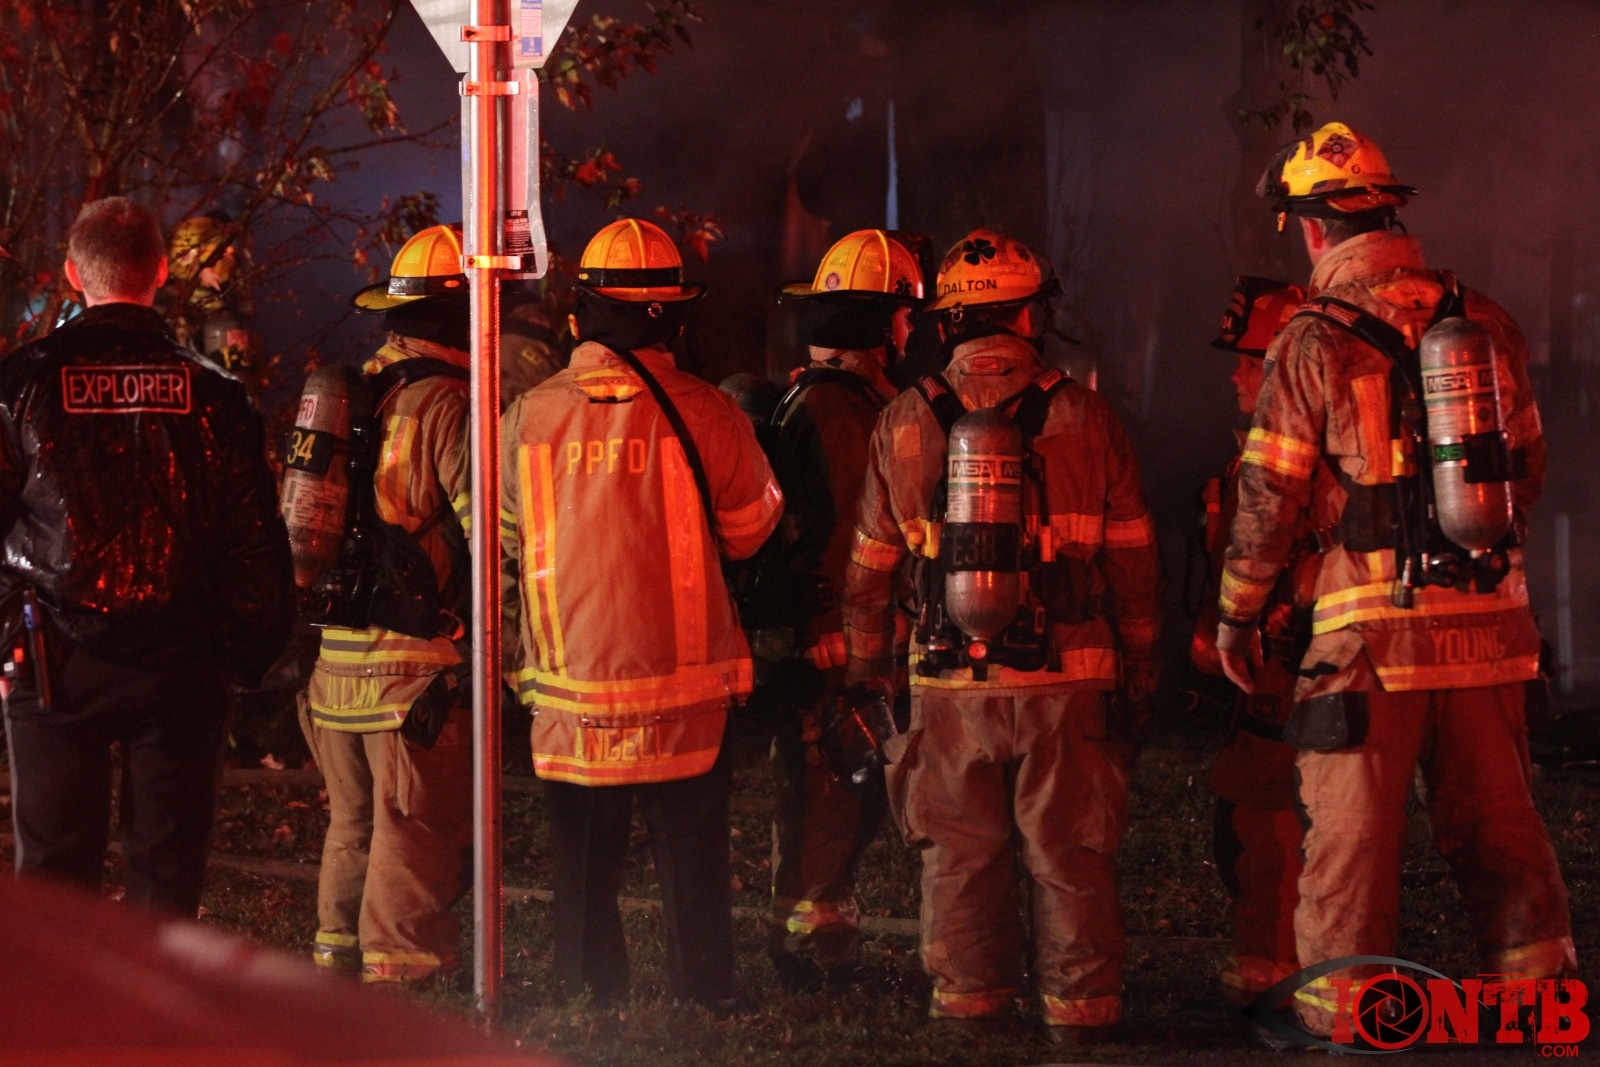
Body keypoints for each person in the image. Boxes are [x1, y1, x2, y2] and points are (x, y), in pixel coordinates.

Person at [1219, 121, 1575, 1038]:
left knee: (1353, 846)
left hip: (1370, 648)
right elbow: (1528, 470)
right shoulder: (1485, 318)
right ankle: (1540, 1004)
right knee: (1501, 827)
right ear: (1389, 214)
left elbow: (1268, 496)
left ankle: (1347, 1021)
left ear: (1312, 230)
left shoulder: (1310, 338)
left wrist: (1237, 616)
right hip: (1489, 632)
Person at [842, 229, 1161, 1042]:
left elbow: (869, 571)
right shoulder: (1089, 416)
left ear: (949, 320)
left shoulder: (902, 420)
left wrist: (871, 673)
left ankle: (970, 1005)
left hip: (948, 682)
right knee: (1070, 850)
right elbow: (1133, 557)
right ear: (1028, 315)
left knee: (958, 853)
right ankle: (1081, 1012)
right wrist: (1142, 663)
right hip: (1069, 680)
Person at [500, 218, 783, 1014]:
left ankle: (586, 987)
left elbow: (502, 538)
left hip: (570, 690)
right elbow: (751, 528)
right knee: (691, 851)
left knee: (582, 857)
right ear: (674, 316)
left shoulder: (527, 416)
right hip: (683, 691)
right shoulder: (710, 412)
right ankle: (704, 990)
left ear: (584, 312)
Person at [0, 196, 294, 915]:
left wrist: (7, 641)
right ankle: (153, 994)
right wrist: (243, 655)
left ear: (74, 273)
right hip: (181, 662)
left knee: (53, 889)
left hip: (54, 658)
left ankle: (60, 995)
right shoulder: (216, 394)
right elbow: (254, 542)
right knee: (166, 886)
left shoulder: (22, 383)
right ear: (161, 271)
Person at [299, 224, 474, 983]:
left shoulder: (355, 396)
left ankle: (333, 956)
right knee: (411, 828)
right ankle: (403, 975)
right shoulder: (447, 403)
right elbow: (490, 529)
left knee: (353, 822)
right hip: (410, 670)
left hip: (334, 661)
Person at [761, 229, 925, 992]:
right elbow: (850, 535)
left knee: (832, 792)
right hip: (838, 644)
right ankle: (813, 942)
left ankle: (814, 928)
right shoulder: (840, 410)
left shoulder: (833, 398)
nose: (911, 330)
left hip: (834, 639)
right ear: (879, 322)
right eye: (904, 315)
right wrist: (849, 647)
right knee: (829, 791)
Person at [1187, 277, 1327, 1026]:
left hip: (1293, 667)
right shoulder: (1263, 455)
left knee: (1266, 819)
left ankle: (1273, 975)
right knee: (1250, 815)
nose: (1235, 378)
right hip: (1266, 665)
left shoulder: (1304, 461)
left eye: (1249, 362)